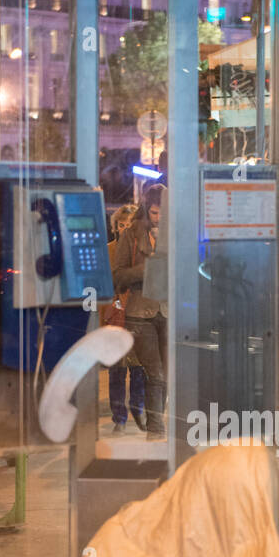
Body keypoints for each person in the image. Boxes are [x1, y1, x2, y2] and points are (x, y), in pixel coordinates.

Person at [112, 186, 167, 439]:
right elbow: (118, 275)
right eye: (155, 213)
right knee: (154, 371)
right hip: (140, 312)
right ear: (147, 209)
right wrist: (145, 269)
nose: (158, 218)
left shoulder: (176, 233)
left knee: (165, 372)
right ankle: (156, 428)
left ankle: (156, 423)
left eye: (163, 213)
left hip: (168, 310)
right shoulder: (132, 235)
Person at [105, 204, 146, 433]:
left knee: (139, 369)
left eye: (129, 224)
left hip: (138, 314)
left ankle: (137, 408)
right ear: (116, 227)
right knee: (117, 371)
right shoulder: (108, 251)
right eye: (121, 224)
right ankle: (119, 417)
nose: (125, 228)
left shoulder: (141, 250)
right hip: (116, 315)